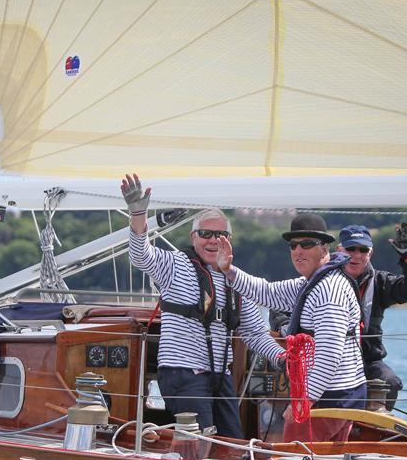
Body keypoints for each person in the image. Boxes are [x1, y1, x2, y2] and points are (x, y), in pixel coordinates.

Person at [121, 174, 285, 438]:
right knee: (200, 443)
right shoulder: (175, 265)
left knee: (234, 442)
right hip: (183, 374)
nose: (212, 241)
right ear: (193, 237)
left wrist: (281, 357)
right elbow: (141, 256)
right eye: (205, 234)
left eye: (220, 235)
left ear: (229, 239)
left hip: (220, 376)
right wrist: (138, 214)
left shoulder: (236, 279)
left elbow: (254, 332)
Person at [216, 213, 366, 443]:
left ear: (324, 249)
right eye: (293, 245)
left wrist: (303, 401)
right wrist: (229, 270)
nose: (299, 251)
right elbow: (267, 292)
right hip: (340, 394)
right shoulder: (310, 283)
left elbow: (329, 355)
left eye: (307, 244)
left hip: (331, 397)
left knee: (293, 459)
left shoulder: (329, 291)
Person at [337, 223, 407, 410]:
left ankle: (371, 431)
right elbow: (284, 305)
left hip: (368, 360)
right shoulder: (323, 279)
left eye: (363, 250)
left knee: (390, 382)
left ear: (371, 253)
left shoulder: (380, 282)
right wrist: (285, 325)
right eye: (351, 249)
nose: (357, 255)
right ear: (339, 250)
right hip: (331, 359)